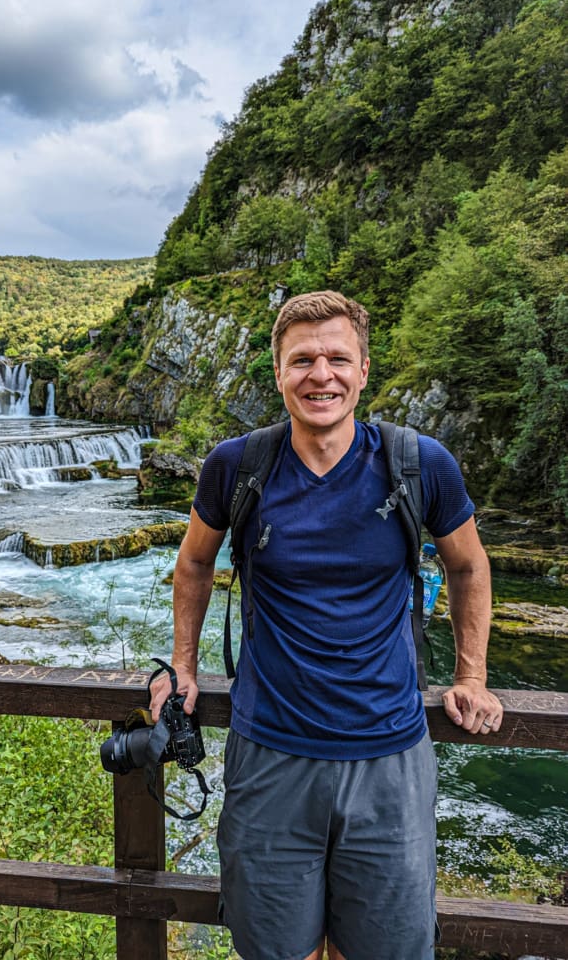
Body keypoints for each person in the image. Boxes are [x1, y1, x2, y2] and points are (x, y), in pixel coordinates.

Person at [150, 290, 503, 960]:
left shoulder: (416, 464)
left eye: (337, 358)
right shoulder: (238, 465)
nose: (321, 375)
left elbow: (468, 567)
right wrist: (183, 668)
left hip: (389, 755)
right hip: (270, 755)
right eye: (302, 360)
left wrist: (473, 675)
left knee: (389, 948)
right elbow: (194, 563)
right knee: (276, 948)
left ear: (363, 370)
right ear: (277, 373)